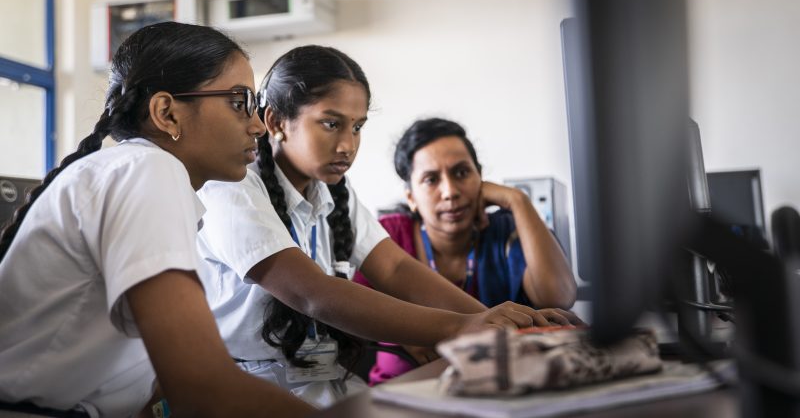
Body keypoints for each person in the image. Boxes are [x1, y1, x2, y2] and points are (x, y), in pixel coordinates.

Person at [195, 45, 582, 408]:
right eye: (331, 124)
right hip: (250, 387)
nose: (347, 144)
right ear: (277, 122)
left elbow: (395, 267)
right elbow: (312, 294)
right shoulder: (232, 186)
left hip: (322, 378)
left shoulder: (332, 195)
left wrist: (505, 325)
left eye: (358, 127)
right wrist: (463, 327)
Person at [0, 22, 313, 417]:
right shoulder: (146, 170)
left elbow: (152, 378)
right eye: (239, 103)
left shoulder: (144, 174)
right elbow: (203, 387)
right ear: (166, 113)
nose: (256, 126)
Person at [353, 117, 578, 384]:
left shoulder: (506, 231)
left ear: (480, 178)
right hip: (403, 395)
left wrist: (518, 201)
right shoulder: (388, 237)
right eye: (431, 179)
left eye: (461, 173)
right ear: (411, 197)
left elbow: (560, 296)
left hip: (502, 391)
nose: (450, 191)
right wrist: (406, 332)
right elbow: (356, 317)